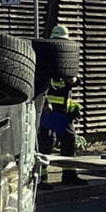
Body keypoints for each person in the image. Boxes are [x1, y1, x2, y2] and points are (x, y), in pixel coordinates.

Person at [39, 24, 86, 186]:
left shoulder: (66, 59)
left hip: (63, 111)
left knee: (68, 140)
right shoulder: (45, 60)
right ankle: (41, 178)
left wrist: (72, 79)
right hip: (48, 111)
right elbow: (40, 84)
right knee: (46, 142)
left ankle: (69, 174)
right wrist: (45, 103)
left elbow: (75, 80)